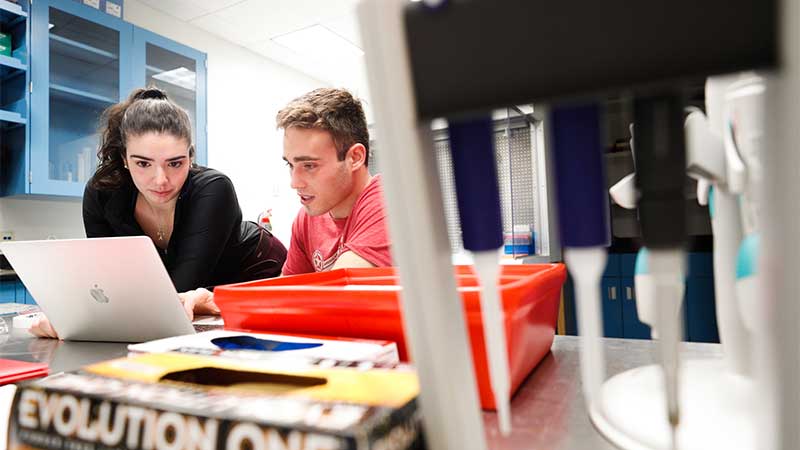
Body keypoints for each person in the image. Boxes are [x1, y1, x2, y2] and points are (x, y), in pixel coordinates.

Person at [30, 87, 287, 338]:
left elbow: (174, 299)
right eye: (143, 163)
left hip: (254, 271)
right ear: (123, 158)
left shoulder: (213, 189)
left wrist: (90, 321)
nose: (161, 180)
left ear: (190, 155)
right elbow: (109, 284)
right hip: (193, 296)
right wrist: (72, 318)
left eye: (175, 163)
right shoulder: (102, 194)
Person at [277, 87, 392, 275]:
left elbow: (338, 297)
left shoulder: (388, 205)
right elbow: (282, 297)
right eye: (290, 165)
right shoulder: (307, 218)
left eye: (309, 166)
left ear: (355, 157)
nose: (294, 183)